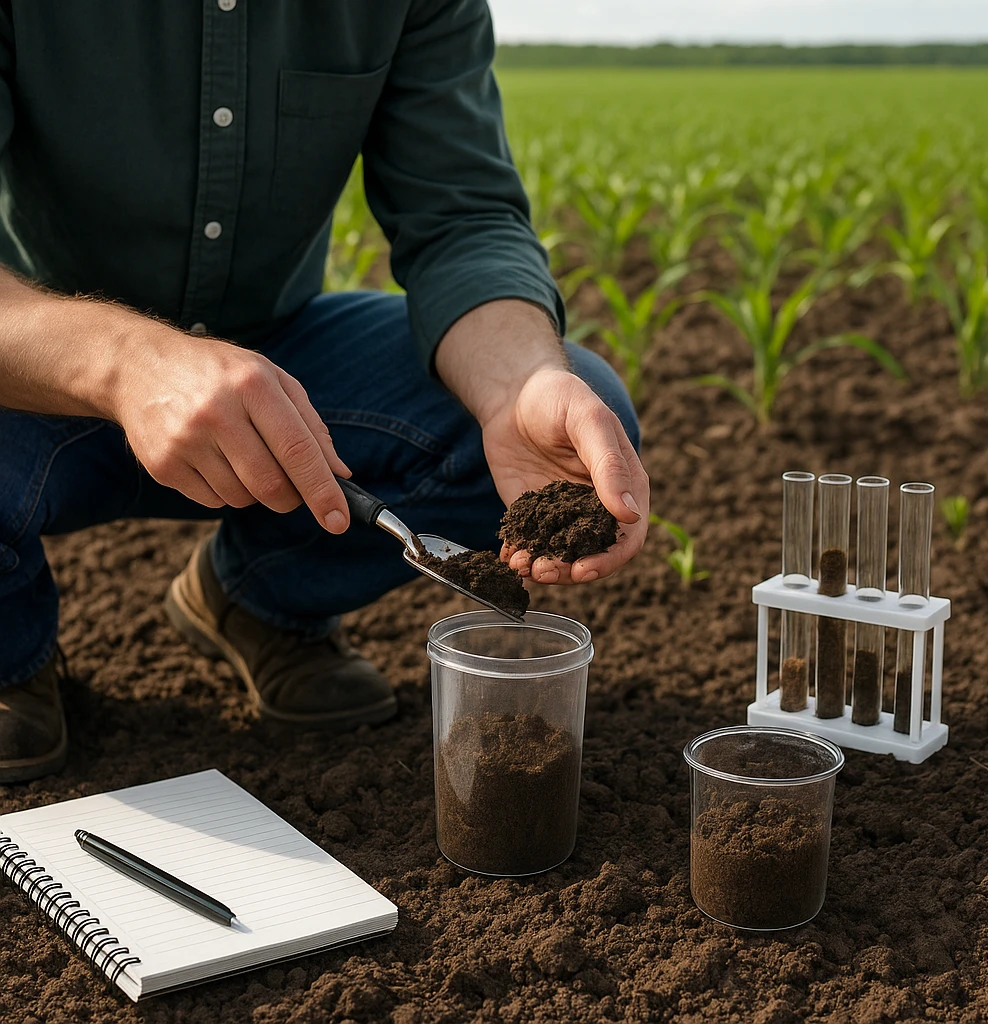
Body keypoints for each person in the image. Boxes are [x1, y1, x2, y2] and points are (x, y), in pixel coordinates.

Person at [0, 2, 648, 785]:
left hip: (272, 367)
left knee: (567, 394)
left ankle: (255, 597)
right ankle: (10, 652)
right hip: (34, 371)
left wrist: (518, 385)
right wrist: (125, 362)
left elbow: (461, 218)